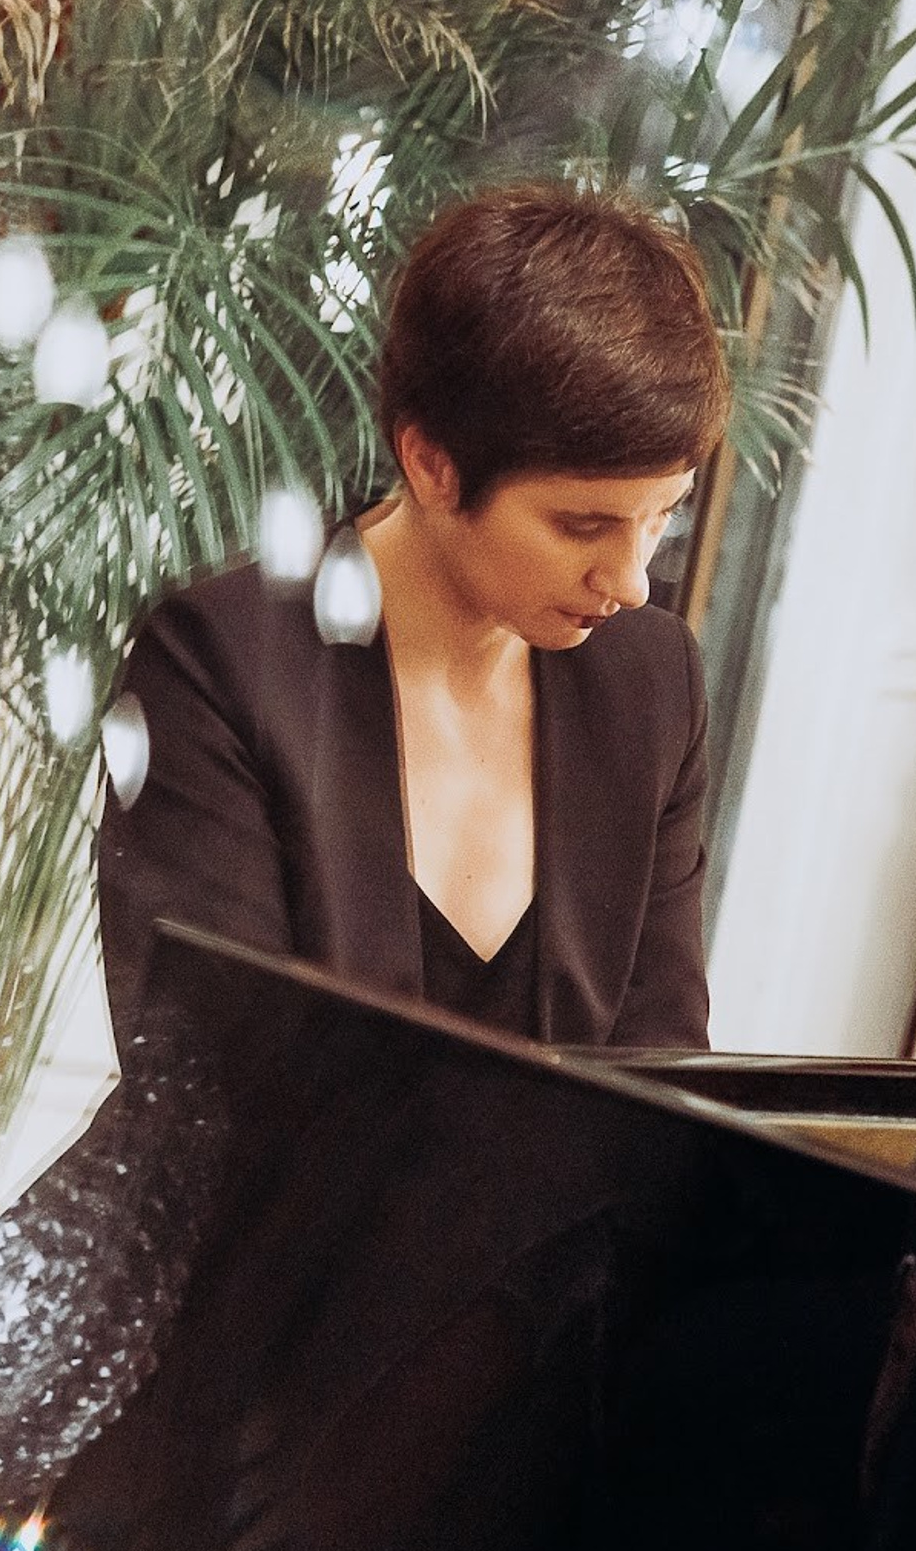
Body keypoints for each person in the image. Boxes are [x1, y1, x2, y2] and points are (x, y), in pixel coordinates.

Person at [97, 179, 731, 1049]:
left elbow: (665, 1076)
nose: (630, 580)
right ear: (432, 465)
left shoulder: (652, 683)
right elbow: (214, 1093)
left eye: (663, 515)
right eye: (582, 524)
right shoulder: (220, 663)